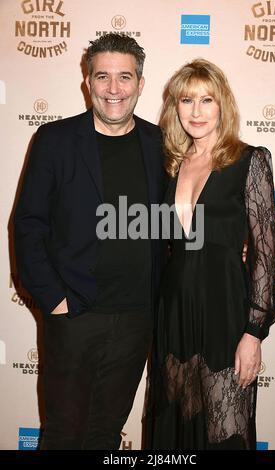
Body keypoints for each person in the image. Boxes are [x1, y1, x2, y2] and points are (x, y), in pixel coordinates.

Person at [14, 33, 167, 450]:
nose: (113, 89)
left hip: (137, 320)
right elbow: (27, 226)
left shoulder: (161, 144)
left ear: (140, 82)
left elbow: (178, 221)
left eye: (124, 77)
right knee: (64, 434)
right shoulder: (55, 140)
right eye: (103, 76)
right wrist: (56, 302)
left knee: (104, 434)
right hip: (74, 315)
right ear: (87, 81)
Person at [144, 58, 275, 450]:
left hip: (224, 311)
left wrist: (253, 333)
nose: (197, 111)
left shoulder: (249, 160)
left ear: (223, 104)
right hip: (173, 311)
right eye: (187, 101)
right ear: (176, 107)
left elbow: (264, 254)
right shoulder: (170, 165)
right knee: (174, 432)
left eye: (207, 100)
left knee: (226, 432)